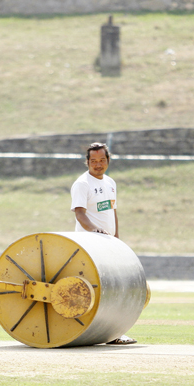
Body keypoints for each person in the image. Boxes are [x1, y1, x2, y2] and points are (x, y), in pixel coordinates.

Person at [70, 142, 136, 345]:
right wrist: (95, 231)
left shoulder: (110, 183)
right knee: (94, 291)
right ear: (87, 162)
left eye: (102, 160)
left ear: (108, 161)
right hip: (91, 245)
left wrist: (116, 239)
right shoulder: (82, 184)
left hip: (109, 246)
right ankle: (85, 331)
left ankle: (113, 333)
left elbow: (112, 212)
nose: (98, 165)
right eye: (93, 161)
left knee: (113, 291)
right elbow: (80, 214)